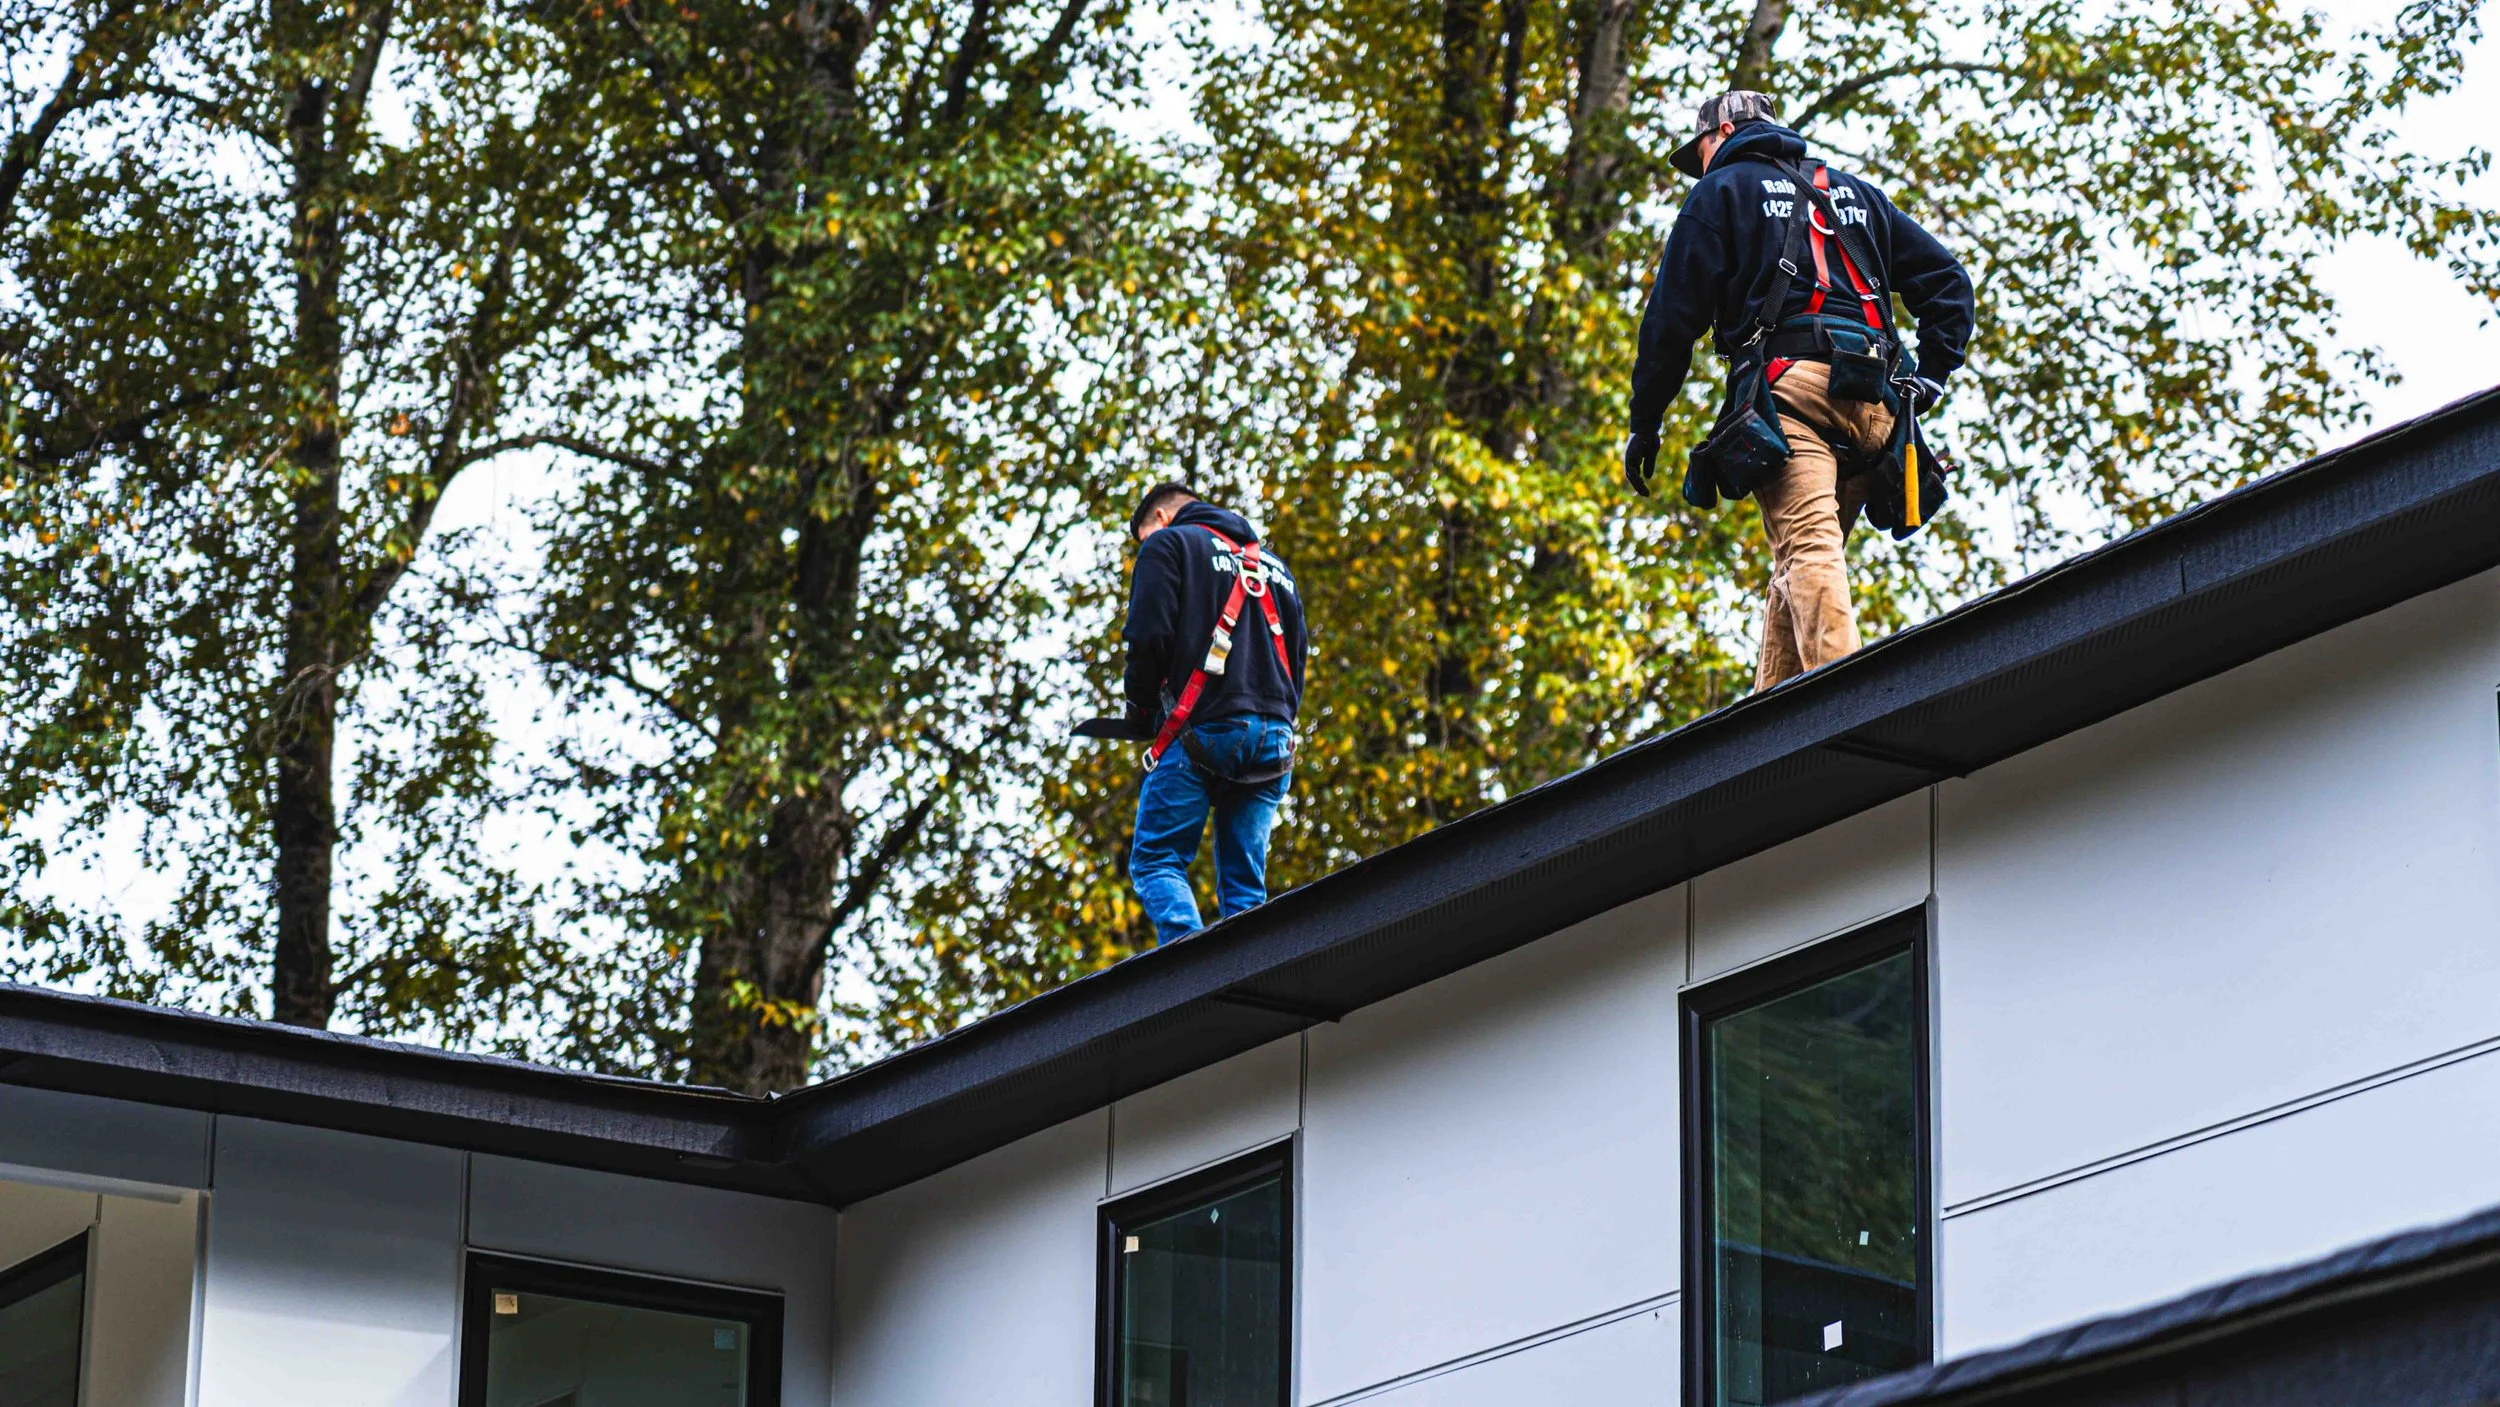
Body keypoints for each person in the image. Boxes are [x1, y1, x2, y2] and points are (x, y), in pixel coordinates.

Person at [1624, 90, 1975, 691]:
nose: (1702, 165)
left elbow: (1669, 322)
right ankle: (1769, 718)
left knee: (1809, 548)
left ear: (1724, 130)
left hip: (1793, 394)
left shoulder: (1722, 192)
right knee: (1801, 555)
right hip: (1881, 409)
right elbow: (1949, 282)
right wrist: (1933, 375)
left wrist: (1646, 421)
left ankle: (1845, 700)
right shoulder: (1855, 193)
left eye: (1701, 149)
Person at [1119, 483, 1308, 945]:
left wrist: (1141, 708)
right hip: (1275, 739)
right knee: (1245, 888)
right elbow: (1298, 655)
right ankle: (1251, 975)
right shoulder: (1275, 568)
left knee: (1157, 859)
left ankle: (1190, 972)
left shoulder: (1168, 543)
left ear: (1161, 519)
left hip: (1206, 729)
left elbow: (1148, 637)